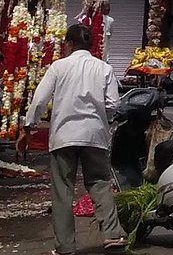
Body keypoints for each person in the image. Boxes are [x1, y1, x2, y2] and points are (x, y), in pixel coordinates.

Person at [17, 23, 125, 255]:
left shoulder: (59, 67)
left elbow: (39, 101)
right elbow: (113, 105)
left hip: (64, 135)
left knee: (62, 191)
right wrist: (99, 119)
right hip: (95, 135)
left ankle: (65, 246)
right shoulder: (104, 68)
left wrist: (28, 128)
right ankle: (113, 235)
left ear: (68, 44)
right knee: (99, 184)